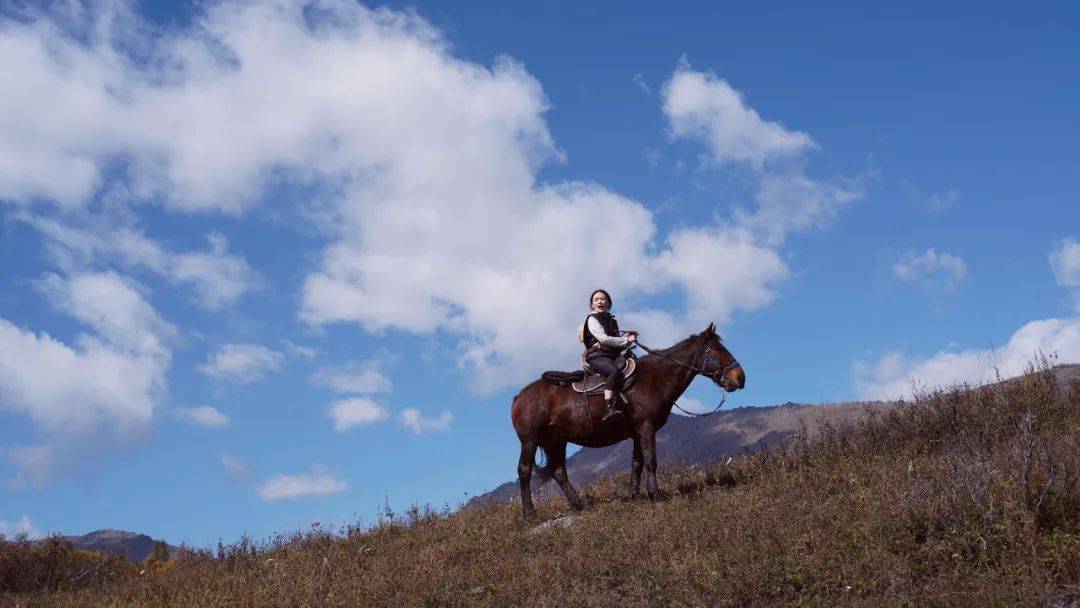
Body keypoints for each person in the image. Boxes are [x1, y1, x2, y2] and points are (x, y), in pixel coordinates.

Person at [581, 289, 637, 420]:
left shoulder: (613, 322)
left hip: (613, 356)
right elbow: (604, 339)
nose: (599, 302)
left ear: (609, 304)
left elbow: (618, 344)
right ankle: (608, 408)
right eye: (596, 300)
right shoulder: (592, 319)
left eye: (602, 299)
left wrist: (629, 340)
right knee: (613, 371)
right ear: (592, 305)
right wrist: (626, 339)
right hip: (597, 357)